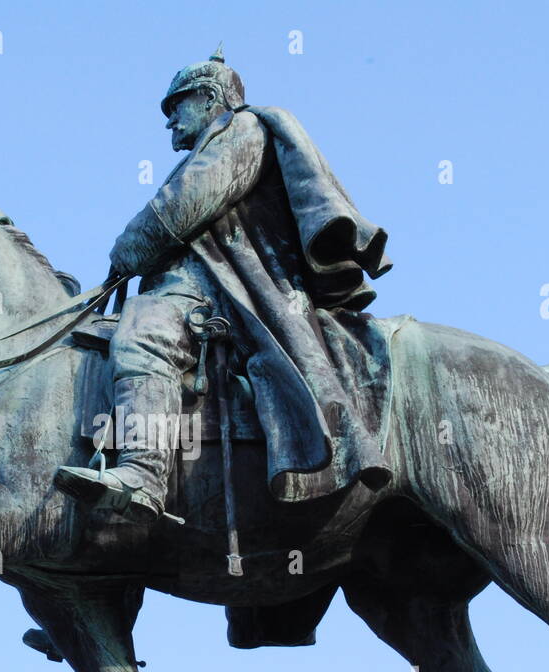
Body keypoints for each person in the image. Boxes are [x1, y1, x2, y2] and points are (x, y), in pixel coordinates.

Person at [55, 45, 394, 523]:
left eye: (177, 107)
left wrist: (125, 251)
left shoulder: (242, 130)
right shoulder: (215, 141)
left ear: (210, 97)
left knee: (143, 332)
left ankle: (143, 474)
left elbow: (181, 206)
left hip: (221, 291)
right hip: (199, 282)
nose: (169, 123)